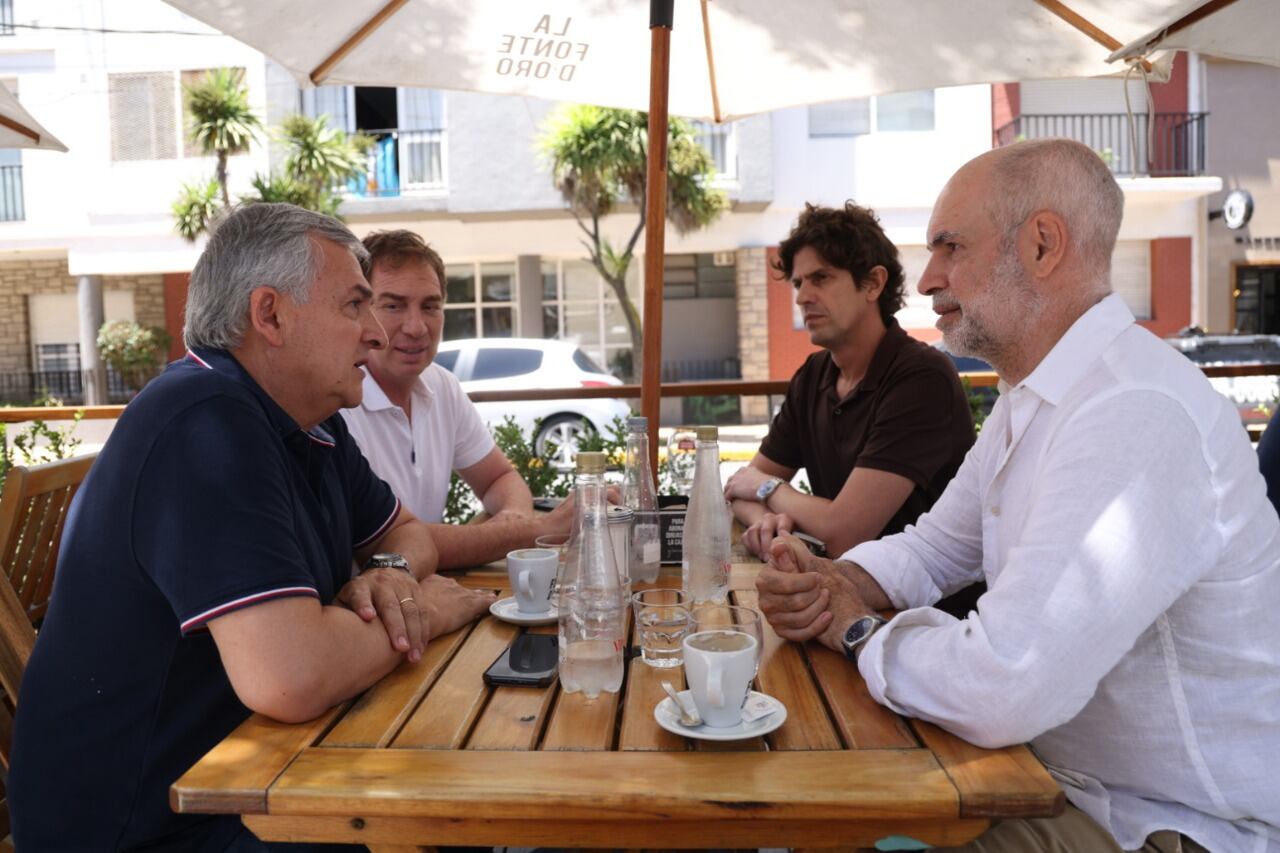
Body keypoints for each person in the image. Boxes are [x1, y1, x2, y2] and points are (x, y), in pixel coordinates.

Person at [757, 139, 1280, 853]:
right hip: (1051, 775)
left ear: (1041, 244)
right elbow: (938, 546)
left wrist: (856, 630)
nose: (931, 274)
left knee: (820, 819)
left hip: (1166, 824)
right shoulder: (1034, 397)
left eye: (949, 245)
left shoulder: (1133, 410)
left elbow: (1007, 682)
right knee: (814, 814)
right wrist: (837, 579)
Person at [9, 204, 496, 852]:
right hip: (142, 826)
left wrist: (389, 577)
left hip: (251, 770)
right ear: (270, 314)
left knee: (443, 794)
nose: (376, 332)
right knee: (435, 816)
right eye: (355, 305)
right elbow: (290, 676)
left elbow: (407, 534)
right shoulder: (205, 422)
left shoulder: (312, 420)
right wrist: (426, 613)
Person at [723, 202, 974, 561]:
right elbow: (737, 489)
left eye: (821, 278)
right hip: (843, 590)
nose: (802, 297)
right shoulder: (814, 374)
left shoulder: (921, 378)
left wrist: (768, 488)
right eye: (798, 283)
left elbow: (845, 533)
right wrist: (769, 524)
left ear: (873, 283)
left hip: (924, 608)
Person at [340, 230, 576, 568]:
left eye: (430, 306)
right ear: (361, 311)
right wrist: (534, 531)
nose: (416, 327)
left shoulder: (440, 385)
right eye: (393, 305)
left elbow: (498, 478)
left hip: (428, 591)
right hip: (367, 608)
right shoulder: (339, 401)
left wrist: (512, 520)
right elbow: (388, 543)